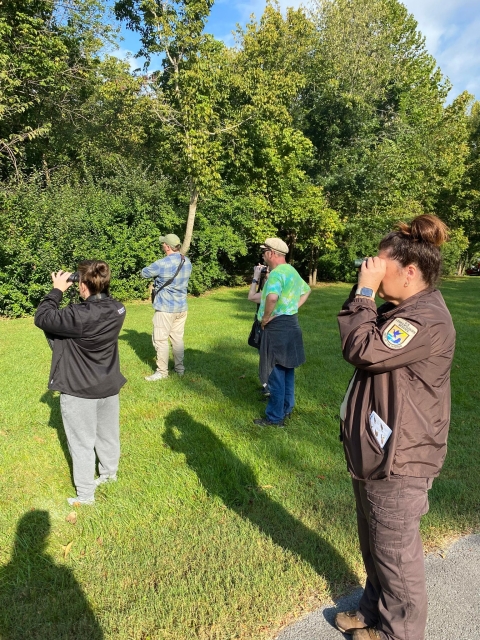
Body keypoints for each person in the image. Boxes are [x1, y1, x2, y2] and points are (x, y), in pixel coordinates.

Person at [335, 214, 455, 640]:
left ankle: (398, 634)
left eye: (381, 266)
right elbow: (359, 326)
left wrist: (366, 290)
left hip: (400, 459)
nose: (372, 273)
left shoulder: (424, 320)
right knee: (377, 548)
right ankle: (372, 611)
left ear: (409, 271)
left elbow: (362, 347)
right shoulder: (401, 308)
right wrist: (366, 291)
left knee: (397, 559)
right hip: (377, 449)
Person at [34, 260, 127, 505]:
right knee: (108, 435)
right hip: (108, 385)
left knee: (81, 443)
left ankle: (85, 495)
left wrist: (57, 289)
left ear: (83, 285)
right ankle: (109, 474)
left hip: (79, 389)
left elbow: (43, 317)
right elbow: (99, 305)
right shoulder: (119, 309)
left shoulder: (77, 316)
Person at [253, 238, 311, 427]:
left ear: (272, 253)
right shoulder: (292, 271)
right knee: (287, 369)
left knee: (274, 371)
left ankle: (275, 417)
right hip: (291, 324)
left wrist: (266, 318)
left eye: (264, 251)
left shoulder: (277, 274)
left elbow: (271, 297)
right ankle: (287, 408)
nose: (263, 255)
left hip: (276, 327)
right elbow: (306, 290)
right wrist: (292, 307)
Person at [141, 233, 192, 381]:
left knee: (161, 340)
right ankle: (180, 369)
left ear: (168, 247)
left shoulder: (162, 263)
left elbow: (144, 273)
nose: (162, 245)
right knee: (177, 339)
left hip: (165, 308)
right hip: (182, 307)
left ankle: (162, 372)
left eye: (163, 243)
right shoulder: (187, 261)